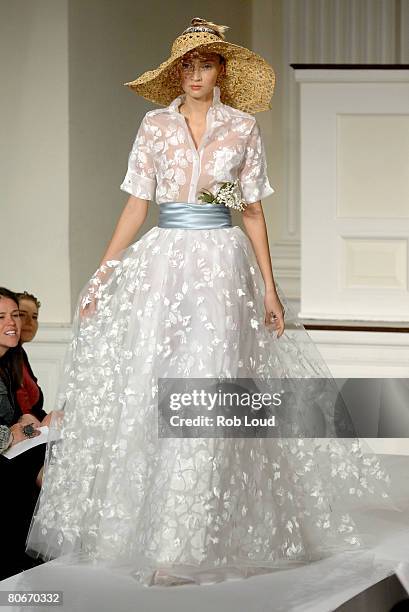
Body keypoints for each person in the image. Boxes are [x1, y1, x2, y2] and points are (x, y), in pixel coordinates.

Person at [25, 17, 409, 588]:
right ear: (176, 71)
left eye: (206, 64)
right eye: (187, 65)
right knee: (157, 380)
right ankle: (161, 535)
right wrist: (104, 269)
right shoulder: (155, 125)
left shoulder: (242, 128)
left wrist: (271, 288)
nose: (195, 74)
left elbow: (250, 210)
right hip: (163, 265)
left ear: (222, 70)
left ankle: (198, 536)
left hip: (223, 266)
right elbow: (137, 204)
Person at [0, 287, 45, 580]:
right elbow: (15, 429)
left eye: (14, 315)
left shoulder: (11, 362)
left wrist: (32, 425)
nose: (13, 323)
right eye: (1, 317)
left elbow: (24, 420)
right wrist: (13, 434)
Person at [15, 291, 47, 423]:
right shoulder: (5, 356)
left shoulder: (20, 354)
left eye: (34, 317)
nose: (30, 322)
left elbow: (35, 409)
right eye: (22, 315)